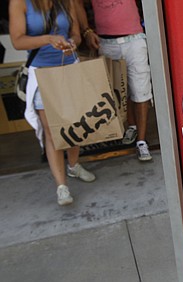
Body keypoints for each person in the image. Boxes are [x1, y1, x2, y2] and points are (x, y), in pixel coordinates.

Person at [9, 0, 96, 206]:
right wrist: (47, 39)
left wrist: (72, 43)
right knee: (52, 131)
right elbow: (17, 41)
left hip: (69, 67)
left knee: (74, 123)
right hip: (42, 74)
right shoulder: (20, 2)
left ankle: (74, 165)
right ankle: (61, 186)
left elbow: (75, 33)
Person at [76, 0, 153, 162]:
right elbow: (76, 3)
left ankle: (141, 140)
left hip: (134, 38)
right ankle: (131, 127)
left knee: (140, 90)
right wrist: (86, 30)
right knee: (118, 91)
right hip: (105, 41)